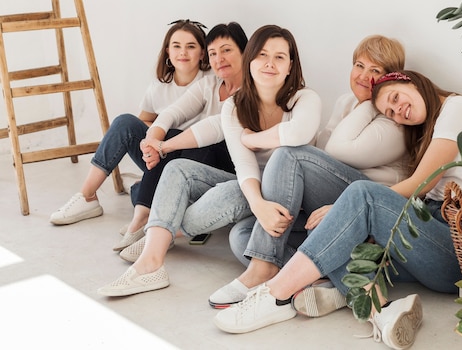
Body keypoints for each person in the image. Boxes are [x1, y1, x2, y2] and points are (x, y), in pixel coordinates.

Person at [213, 70, 462, 350]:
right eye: (391, 112)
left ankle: (276, 296)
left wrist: (343, 207)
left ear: (410, 79)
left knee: (362, 196)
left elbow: (422, 183)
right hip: (417, 234)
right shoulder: (424, 129)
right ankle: (378, 307)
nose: (399, 112)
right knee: (244, 235)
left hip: (457, 245)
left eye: (396, 98)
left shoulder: (458, 107)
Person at [97, 24, 322, 297]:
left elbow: (296, 134)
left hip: (291, 199)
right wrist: (257, 203)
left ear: (290, 66)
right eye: (262, 55)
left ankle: (161, 234)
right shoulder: (236, 106)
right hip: (254, 192)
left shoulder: (305, 98)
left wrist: (251, 139)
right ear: (251, 61)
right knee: (177, 168)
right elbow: (245, 167)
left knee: (231, 200)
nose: (270, 64)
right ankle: (150, 264)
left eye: (279, 57)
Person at [210, 35, 409, 308]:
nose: (363, 76)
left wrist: (252, 139)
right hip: (334, 202)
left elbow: (336, 151)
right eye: (359, 66)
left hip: (369, 207)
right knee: (243, 234)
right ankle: (329, 277)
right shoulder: (345, 103)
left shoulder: (393, 118)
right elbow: (322, 152)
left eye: (376, 71)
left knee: (288, 154)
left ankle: (265, 267)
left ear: (392, 78)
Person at [49, 19, 212, 226]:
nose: (183, 53)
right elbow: (144, 120)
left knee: (140, 193)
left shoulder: (210, 82)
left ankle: (146, 192)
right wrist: (154, 139)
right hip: (157, 155)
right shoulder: (159, 86)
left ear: (202, 53)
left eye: (191, 47)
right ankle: (87, 196)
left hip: (190, 159)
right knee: (124, 123)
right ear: (168, 52)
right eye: (177, 46)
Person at [112, 22, 248, 252]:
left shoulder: (253, 91)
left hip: (231, 171)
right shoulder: (210, 84)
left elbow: (214, 127)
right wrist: (153, 141)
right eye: (213, 53)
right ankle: (142, 217)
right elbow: (172, 112)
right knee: (173, 133)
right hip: (200, 164)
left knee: (196, 142)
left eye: (226, 50)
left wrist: (163, 146)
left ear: (245, 52)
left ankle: (156, 217)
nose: (219, 59)